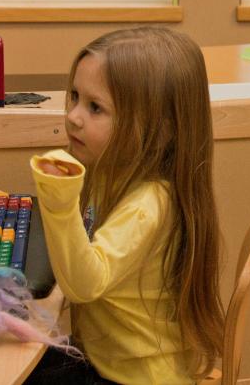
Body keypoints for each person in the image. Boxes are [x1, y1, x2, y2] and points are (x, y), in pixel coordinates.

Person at [27, 27, 223, 384]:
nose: (73, 115)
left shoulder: (148, 205)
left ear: (160, 131)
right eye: (74, 96)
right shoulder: (111, 172)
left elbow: (85, 285)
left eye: (95, 107)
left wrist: (58, 201)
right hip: (107, 360)